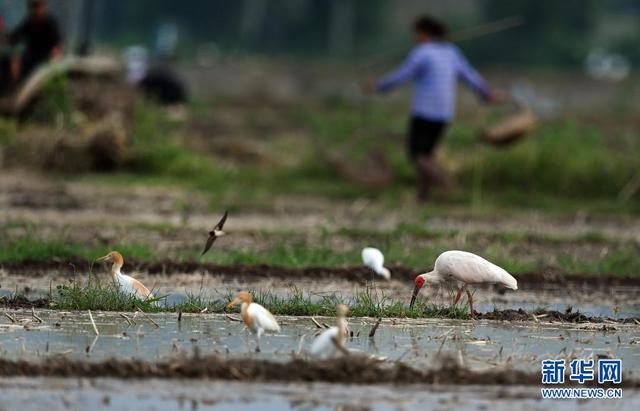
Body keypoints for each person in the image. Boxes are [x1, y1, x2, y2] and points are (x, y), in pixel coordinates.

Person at [364, 16, 505, 202]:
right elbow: (471, 76)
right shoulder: (452, 53)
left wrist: (378, 86)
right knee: (427, 154)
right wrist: (486, 94)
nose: (415, 37)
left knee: (416, 154)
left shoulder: (422, 52)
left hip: (424, 112)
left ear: (423, 33)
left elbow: (401, 76)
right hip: (444, 114)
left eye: (416, 34)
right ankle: (423, 196)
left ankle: (444, 182)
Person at [9, 0, 63, 81]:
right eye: (35, 6)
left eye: (40, 6)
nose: (37, 10)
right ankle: (17, 86)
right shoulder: (29, 22)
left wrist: (56, 52)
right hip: (31, 55)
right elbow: (16, 36)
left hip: (46, 56)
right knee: (16, 60)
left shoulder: (50, 22)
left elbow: (58, 42)